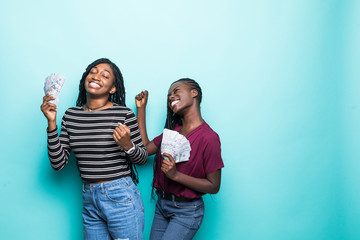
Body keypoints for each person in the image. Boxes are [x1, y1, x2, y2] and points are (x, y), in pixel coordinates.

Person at [41, 58, 147, 240]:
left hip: (121, 195)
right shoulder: (71, 115)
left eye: (105, 75)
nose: (96, 76)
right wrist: (51, 123)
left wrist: (128, 146)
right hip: (90, 197)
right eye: (93, 72)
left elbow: (142, 158)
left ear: (113, 89)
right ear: (85, 78)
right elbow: (58, 164)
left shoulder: (123, 114)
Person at [135, 78, 224, 240]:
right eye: (169, 95)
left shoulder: (209, 137)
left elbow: (214, 185)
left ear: (194, 93)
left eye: (176, 91)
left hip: (187, 211)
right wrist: (141, 110)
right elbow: (145, 149)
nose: (171, 97)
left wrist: (176, 176)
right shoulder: (173, 131)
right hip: (162, 205)